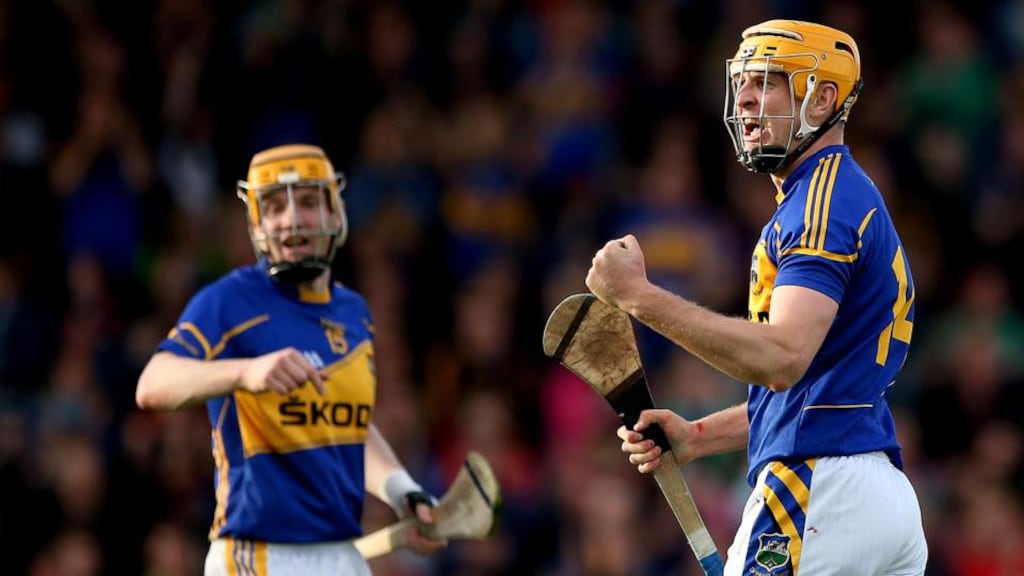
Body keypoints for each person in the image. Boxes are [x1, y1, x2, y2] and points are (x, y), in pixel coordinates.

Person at [586, 20, 928, 575]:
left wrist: (638, 296)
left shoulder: (822, 202)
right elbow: (818, 383)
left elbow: (782, 358)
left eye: (768, 81)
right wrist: (699, 436)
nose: (744, 96)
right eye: (742, 80)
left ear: (822, 99)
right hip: (873, 497)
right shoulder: (831, 196)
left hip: (820, 488)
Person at [135, 143, 446, 575]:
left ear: (336, 214)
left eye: (307, 203)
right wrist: (246, 372)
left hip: (344, 553)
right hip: (257, 555)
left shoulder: (354, 313)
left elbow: (347, 426)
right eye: (275, 207)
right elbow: (152, 385)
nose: (292, 219)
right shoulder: (228, 301)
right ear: (257, 222)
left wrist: (402, 492)